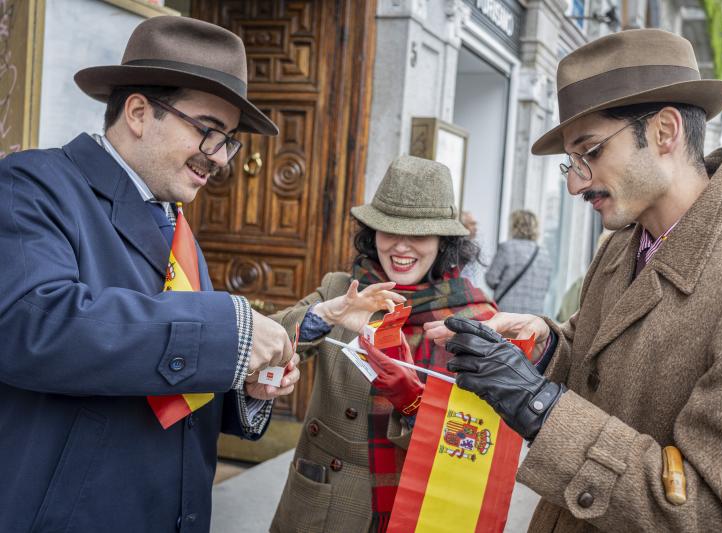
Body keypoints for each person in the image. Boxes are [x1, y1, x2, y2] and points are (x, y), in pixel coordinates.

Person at [427, 29, 722, 531]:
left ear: (665, 132)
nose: (575, 182)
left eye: (591, 151)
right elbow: (594, 357)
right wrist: (541, 347)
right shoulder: (622, 245)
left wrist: (539, 407)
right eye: (571, 160)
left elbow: (713, 516)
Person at [0, 16, 300, 532]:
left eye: (227, 140)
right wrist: (228, 331)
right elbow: (33, 325)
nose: (218, 159)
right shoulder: (30, 185)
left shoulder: (173, 221)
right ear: (139, 112)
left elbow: (169, 372)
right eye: (208, 130)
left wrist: (245, 386)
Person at [269, 155, 496, 533]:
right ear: (371, 233)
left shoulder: (475, 317)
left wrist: (412, 400)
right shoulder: (341, 289)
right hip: (323, 502)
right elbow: (267, 345)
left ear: (444, 242)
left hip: (416, 505)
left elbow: (473, 438)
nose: (401, 247)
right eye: (389, 230)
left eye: (419, 233)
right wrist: (325, 316)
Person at [485, 209, 553, 314]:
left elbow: (491, 279)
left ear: (514, 226)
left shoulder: (507, 248)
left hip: (507, 312)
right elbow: (546, 287)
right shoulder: (545, 254)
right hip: (534, 315)